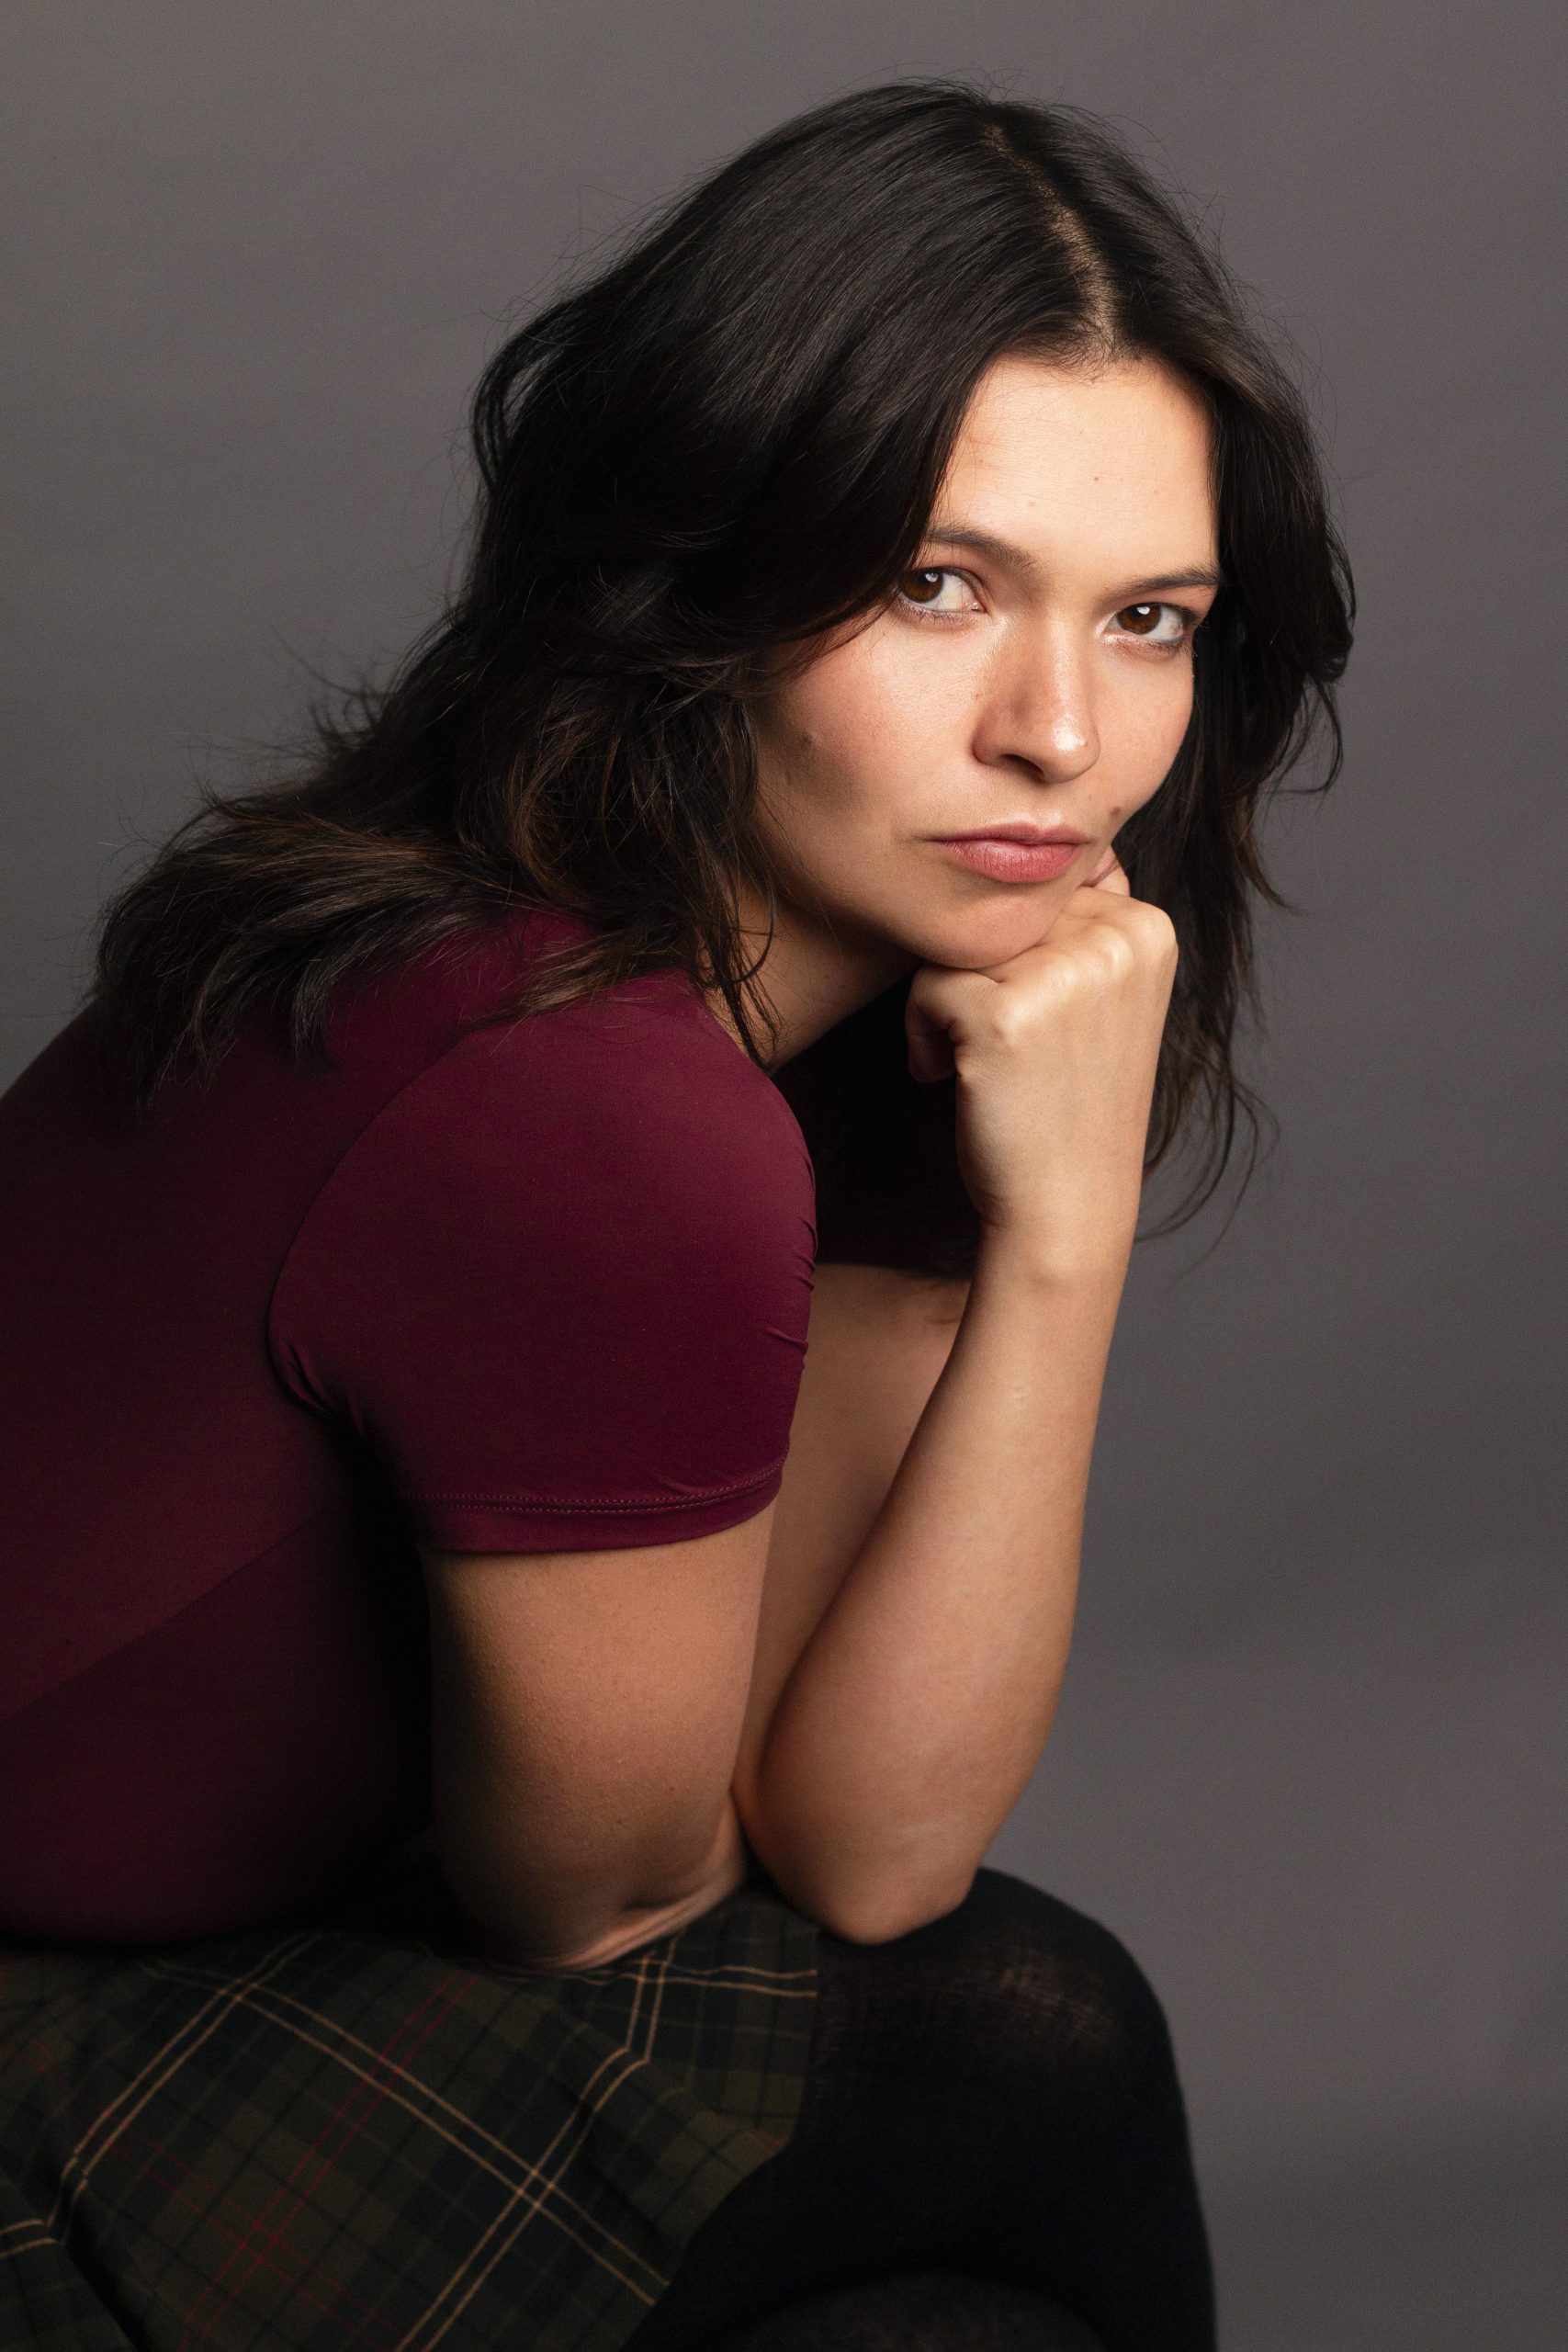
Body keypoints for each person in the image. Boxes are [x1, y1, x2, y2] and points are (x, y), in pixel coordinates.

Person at [0, 78, 1351, 2352]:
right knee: (1034, 2026)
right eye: (934, 584)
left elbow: (858, 1843)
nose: (1057, 730)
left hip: (216, 1962)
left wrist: (1051, 1239)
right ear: (698, 572)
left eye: (1147, 617)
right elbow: (608, 1896)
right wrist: (1053, 1240)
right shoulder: (577, 1090)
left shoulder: (783, 1031)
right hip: (44, 2051)